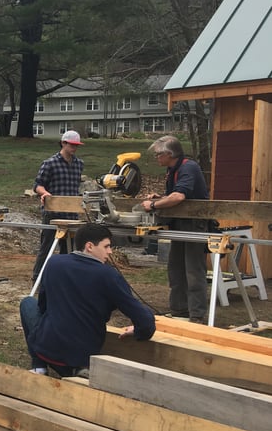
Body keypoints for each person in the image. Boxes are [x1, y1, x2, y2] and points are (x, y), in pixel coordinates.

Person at [20, 223, 155, 377]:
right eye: (106, 246)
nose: (110, 252)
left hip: (47, 351)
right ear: (89, 246)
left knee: (28, 303)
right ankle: (76, 369)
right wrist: (140, 331)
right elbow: (144, 320)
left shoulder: (54, 263)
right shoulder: (109, 276)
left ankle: (39, 365)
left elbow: (43, 305)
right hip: (81, 358)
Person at [141, 135, 210, 323]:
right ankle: (180, 310)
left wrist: (154, 205)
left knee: (193, 271)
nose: (157, 158)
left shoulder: (188, 167)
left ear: (168, 154)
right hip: (180, 222)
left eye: (158, 155)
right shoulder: (174, 169)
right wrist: (161, 196)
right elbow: (177, 193)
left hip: (194, 223)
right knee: (176, 268)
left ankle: (196, 315)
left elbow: (179, 197)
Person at [31, 130, 85, 282]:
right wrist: (45, 193)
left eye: (77, 145)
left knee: (69, 249)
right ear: (63, 143)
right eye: (72, 145)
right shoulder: (50, 163)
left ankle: (64, 278)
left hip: (72, 213)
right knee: (47, 247)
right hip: (53, 212)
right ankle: (38, 278)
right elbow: (37, 186)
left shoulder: (79, 164)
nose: (74, 148)